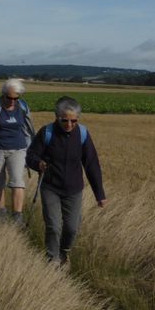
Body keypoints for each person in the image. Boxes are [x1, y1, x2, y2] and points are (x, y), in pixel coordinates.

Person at [25, 96, 107, 268]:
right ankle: (52, 259)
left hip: (74, 189)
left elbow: (91, 164)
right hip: (50, 187)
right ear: (57, 117)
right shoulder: (46, 132)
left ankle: (64, 253)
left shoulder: (83, 134)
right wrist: (38, 163)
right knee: (54, 226)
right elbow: (31, 155)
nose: (69, 125)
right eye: (65, 121)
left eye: (73, 121)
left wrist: (99, 194)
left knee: (71, 228)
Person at [0, 78, 35, 225]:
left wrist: (31, 150)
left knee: (17, 181)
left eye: (16, 98)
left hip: (18, 148)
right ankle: (0, 213)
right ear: (3, 94)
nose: (12, 101)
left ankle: (17, 217)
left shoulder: (23, 107)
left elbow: (29, 129)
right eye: (9, 98)